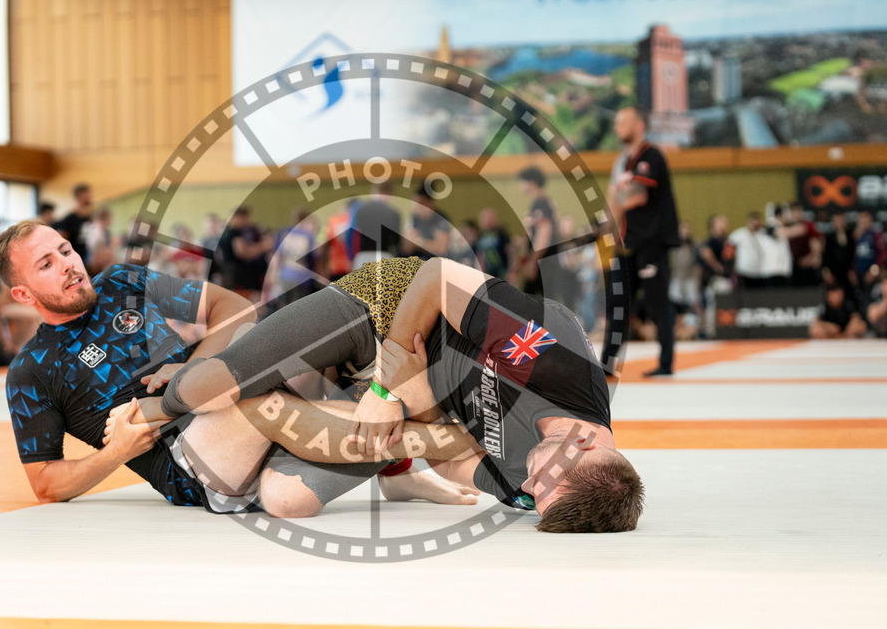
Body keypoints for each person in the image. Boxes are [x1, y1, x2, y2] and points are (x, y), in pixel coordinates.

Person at [0, 221, 469, 516]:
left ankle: (396, 466)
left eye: (64, 249)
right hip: (192, 462)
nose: (67, 264)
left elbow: (234, 309)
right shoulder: (32, 370)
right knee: (261, 411)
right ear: (22, 294)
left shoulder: (123, 281)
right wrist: (115, 451)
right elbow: (45, 482)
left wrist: (192, 374)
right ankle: (441, 438)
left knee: (290, 493)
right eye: (46, 263)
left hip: (207, 396)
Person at [156, 256, 643, 532]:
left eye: (536, 498)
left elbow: (455, 463)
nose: (526, 488)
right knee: (204, 386)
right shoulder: (551, 362)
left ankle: (294, 404)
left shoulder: (534, 488)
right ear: (584, 443)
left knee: (287, 500)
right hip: (388, 314)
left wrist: (422, 401)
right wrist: (388, 389)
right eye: (542, 484)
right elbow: (435, 278)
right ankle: (160, 400)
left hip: (413, 392)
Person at [601, 106, 680, 377]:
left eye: (622, 122)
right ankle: (607, 365)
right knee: (618, 305)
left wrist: (616, 199)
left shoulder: (651, 155)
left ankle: (666, 363)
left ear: (638, 125)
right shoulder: (622, 162)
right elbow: (614, 200)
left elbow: (636, 196)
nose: (616, 127)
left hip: (651, 243)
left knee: (658, 304)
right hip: (627, 243)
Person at [218, 207, 271, 304]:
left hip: (246, 277)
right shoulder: (232, 233)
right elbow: (242, 252)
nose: (247, 221)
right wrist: (263, 247)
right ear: (238, 218)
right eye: (244, 218)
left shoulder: (243, 231)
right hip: (239, 278)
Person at [516, 167, 555, 295]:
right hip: (542, 262)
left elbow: (544, 233)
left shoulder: (541, 204)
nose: (520, 186)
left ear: (532, 182)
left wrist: (533, 261)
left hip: (544, 263)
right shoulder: (539, 203)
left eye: (523, 181)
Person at [350, 183, 402, 268]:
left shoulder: (360, 210)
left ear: (373, 191)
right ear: (391, 193)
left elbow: (351, 235)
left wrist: (351, 258)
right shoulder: (394, 213)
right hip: (385, 257)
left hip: (363, 257)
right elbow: (396, 241)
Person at [402, 181, 451, 261]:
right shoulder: (413, 218)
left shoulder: (440, 219)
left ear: (430, 203)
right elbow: (406, 248)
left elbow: (442, 249)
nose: (416, 207)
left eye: (420, 203)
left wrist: (418, 242)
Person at [54, 183, 94, 262]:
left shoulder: (89, 218)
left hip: (85, 259)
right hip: (73, 261)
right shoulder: (69, 220)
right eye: (88, 194)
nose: (90, 197)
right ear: (80, 195)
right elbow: (63, 244)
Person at [728, 212, 768, 289]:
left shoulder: (762, 234)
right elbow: (729, 249)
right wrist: (731, 266)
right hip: (744, 271)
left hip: (759, 272)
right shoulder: (740, 234)